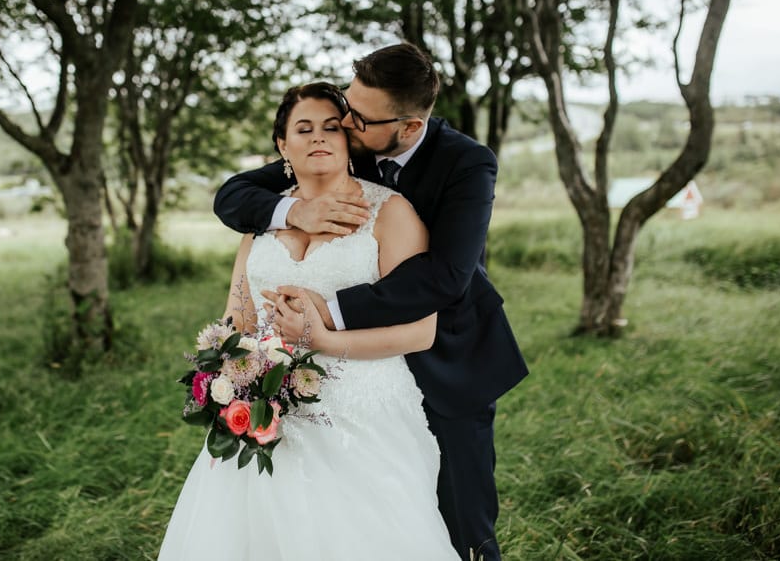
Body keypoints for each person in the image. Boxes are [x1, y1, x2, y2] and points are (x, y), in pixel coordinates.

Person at [213, 43, 529, 560]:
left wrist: (329, 313)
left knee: (461, 521)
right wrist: (295, 212)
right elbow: (233, 196)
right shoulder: (347, 138)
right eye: (346, 111)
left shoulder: (466, 163)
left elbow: (446, 277)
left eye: (357, 117)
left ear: (405, 127)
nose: (344, 123)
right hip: (326, 381)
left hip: (448, 353)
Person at [158, 82, 461, 560]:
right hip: (267, 414)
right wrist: (229, 378)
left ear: (349, 141)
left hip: (362, 415)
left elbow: (421, 332)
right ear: (283, 145)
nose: (319, 137)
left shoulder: (389, 213)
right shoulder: (262, 216)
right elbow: (238, 315)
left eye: (331, 128)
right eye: (304, 128)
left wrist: (319, 339)